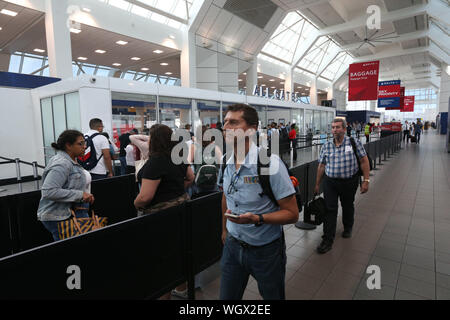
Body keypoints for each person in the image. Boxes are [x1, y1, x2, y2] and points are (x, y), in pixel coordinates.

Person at [219, 104, 299, 300]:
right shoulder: (225, 160)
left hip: (266, 250)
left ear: (252, 129)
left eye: (234, 122)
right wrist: (224, 229)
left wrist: (257, 218)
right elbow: (225, 197)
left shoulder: (270, 164)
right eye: (225, 122)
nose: (226, 127)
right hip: (232, 246)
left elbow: (292, 214)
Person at [134, 124, 194, 299]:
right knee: (178, 252)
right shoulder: (178, 156)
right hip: (182, 209)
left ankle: (163, 295)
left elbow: (145, 197)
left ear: (155, 140)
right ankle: (182, 289)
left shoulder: (156, 162)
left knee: (161, 258)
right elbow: (190, 177)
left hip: (161, 217)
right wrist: (175, 192)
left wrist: (135, 203)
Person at [314, 118, 370, 254]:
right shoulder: (326, 145)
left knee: (347, 205)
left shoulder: (353, 142)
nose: (335, 130)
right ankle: (327, 239)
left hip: (349, 182)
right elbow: (321, 166)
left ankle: (348, 227)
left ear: (344, 129)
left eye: (338, 127)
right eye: (333, 127)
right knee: (330, 210)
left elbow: (364, 161)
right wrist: (317, 184)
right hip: (330, 182)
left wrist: (366, 180)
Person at [37, 130, 95, 241]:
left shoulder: (71, 160)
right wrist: (80, 195)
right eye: (80, 144)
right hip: (59, 216)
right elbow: (48, 191)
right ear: (68, 145)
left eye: (84, 143)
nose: (84, 147)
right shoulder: (62, 163)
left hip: (70, 213)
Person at [189, 125, 222, 198]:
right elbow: (221, 163)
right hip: (213, 182)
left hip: (198, 182)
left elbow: (188, 163)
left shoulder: (194, 146)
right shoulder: (215, 147)